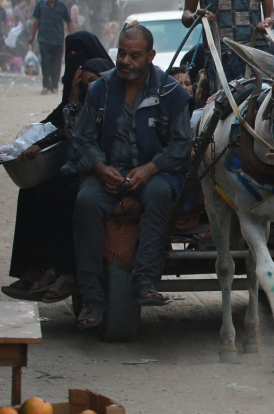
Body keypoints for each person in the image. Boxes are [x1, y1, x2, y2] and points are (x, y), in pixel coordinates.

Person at [72, 25, 195, 329]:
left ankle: (145, 280)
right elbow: (82, 138)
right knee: (85, 202)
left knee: (158, 195)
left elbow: (182, 145)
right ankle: (91, 298)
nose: (125, 60)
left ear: (150, 56)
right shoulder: (100, 88)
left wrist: (152, 168)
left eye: (134, 55)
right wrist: (100, 168)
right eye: (121, 53)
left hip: (155, 173)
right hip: (108, 172)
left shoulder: (171, 93)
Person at [2, 56, 114, 304]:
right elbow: (72, 134)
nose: (89, 88)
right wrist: (73, 99)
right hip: (83, 167)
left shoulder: (115, 101)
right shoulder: (83, 99)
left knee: (68, 198)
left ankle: (67, 272)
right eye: (84, 83)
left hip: (106, 170)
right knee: (37, 191)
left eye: (93, 82)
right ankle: (37, 266)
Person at [28, 0, 74, 94]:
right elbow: (36, 21)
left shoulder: (61, 5)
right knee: (45, 63)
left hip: (58, 40)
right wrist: (32, 36)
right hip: (44, 40)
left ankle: (54, 86)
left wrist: (72, 37)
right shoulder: (40, 4)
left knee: (57, 64)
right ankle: (46, 85)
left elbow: (68, 21)